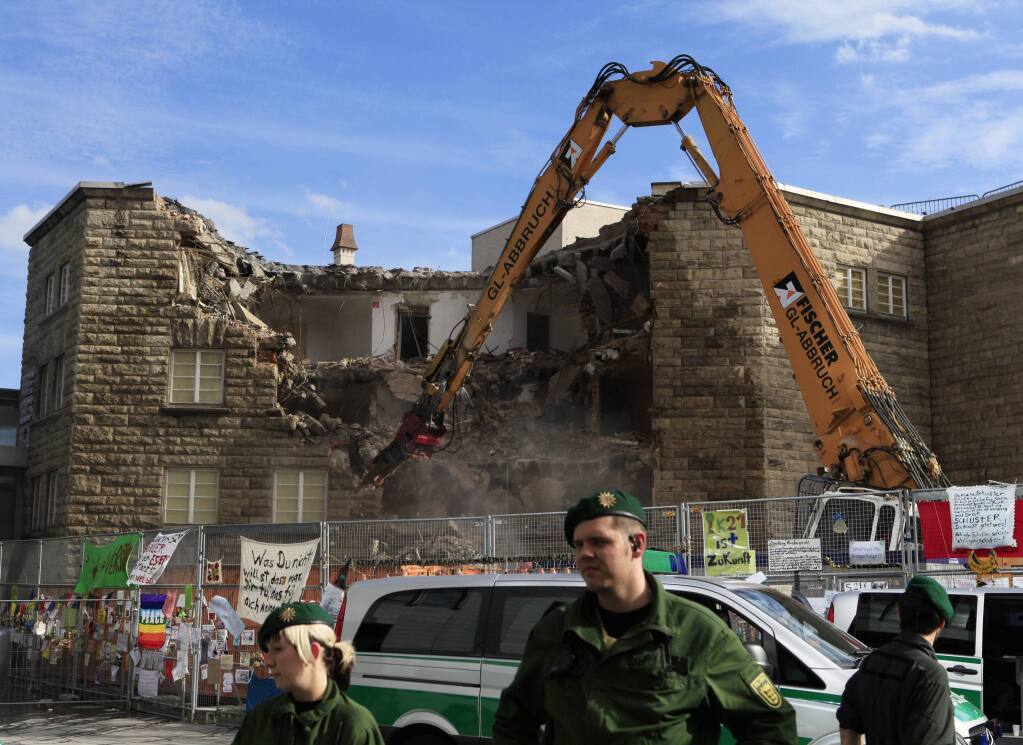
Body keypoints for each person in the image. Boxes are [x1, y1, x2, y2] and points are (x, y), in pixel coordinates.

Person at [492, 489, 798, 745]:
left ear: (637, 544)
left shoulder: (698, 632)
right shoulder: (557, 630)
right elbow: (513, 719)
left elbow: (770, 724)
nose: (585, 553)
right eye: (579, 544)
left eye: (599, 542)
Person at [232, 601, 384, 745]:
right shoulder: (260, 719)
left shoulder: (353, 725)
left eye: (278, 649)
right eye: (269, 651)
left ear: (313, 652)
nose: (269, 662)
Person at [837, 575, 956, 745]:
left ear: (899, 613)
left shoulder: (872, 662)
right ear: (942, 623)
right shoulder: (931, 675)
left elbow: (848, 723)